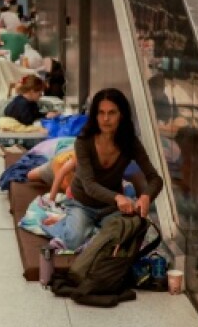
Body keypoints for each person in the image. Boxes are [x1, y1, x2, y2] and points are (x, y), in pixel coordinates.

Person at [42, 88, 163, 254]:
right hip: (82, 203)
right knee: (73, 240)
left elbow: (155, 178)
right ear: (95, 116)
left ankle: (85, 226)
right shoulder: (84, 141)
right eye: (101, 113)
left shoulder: (131, 142)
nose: (106, 119)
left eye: (112, 112)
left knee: (122, 240)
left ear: (121, 115)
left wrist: (146, 196)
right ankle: (64, 221)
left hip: (111, 207)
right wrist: (118, 197)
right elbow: (89, 185)